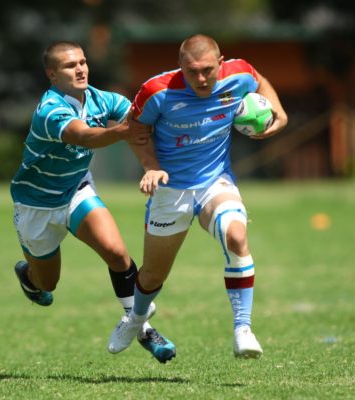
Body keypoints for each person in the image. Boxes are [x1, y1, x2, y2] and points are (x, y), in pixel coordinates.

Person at [108, 34, 288, 359]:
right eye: (192, 71)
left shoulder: (239, 73)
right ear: (180, 65)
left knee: (236, 236)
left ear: (221, 63)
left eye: (208, 70)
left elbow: (259, 80)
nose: (202, 78)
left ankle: (243, 329)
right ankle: (135, 318)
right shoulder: (156, 91)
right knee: (153, 275)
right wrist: (151, 167)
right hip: (170, 190)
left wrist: (280, 112)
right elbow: (134, 130)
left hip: (215, 182)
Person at [10, 41, 176, 363]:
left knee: (117, 253)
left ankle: (142, 329)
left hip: (76, 190)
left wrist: (151, 164)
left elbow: (137, 122)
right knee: (48, 283)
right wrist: (125, 131)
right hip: (36, 204)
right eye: (70, 65)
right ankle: (28, 278)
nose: (80, 69)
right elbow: (84, 136)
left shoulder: (102, 99)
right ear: (52, 74)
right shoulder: (50, 109)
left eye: (83, 62)